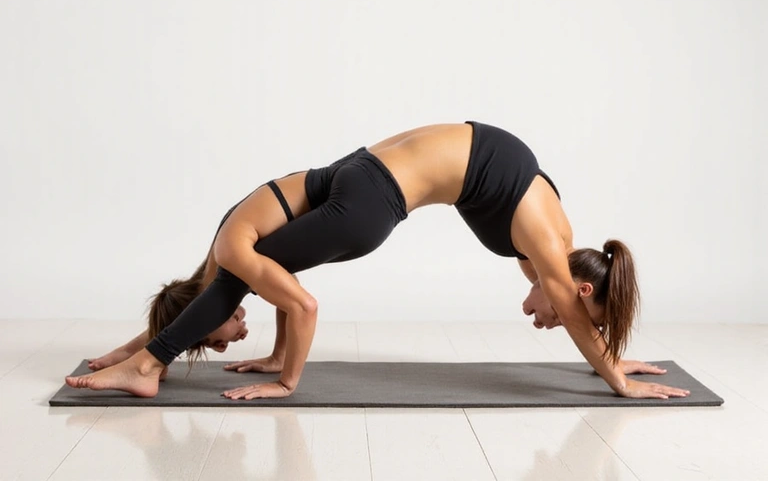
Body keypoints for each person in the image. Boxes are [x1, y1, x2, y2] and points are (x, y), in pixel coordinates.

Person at [66, 121, 690, 400]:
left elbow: (583, 319)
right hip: (370, 197)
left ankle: (144, 358)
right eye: (569, 319)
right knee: (239, 268)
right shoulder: (550, 249)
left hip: (358, 172)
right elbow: (579, 318)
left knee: (243, 266)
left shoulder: (549, 239)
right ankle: (147, 363)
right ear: (580, 289)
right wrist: (618, 379)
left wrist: (609, 350)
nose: (548, 325)